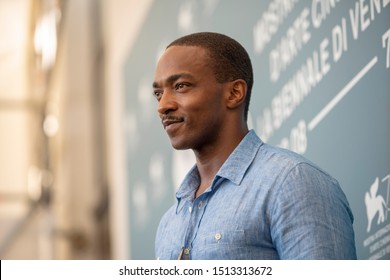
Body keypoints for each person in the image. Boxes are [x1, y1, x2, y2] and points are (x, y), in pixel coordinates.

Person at [152, 32, 357, 260]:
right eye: (158, 94)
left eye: (181, 86)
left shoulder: (290, 182)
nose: (163, 105)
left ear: (234, 93)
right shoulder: (168, 224)